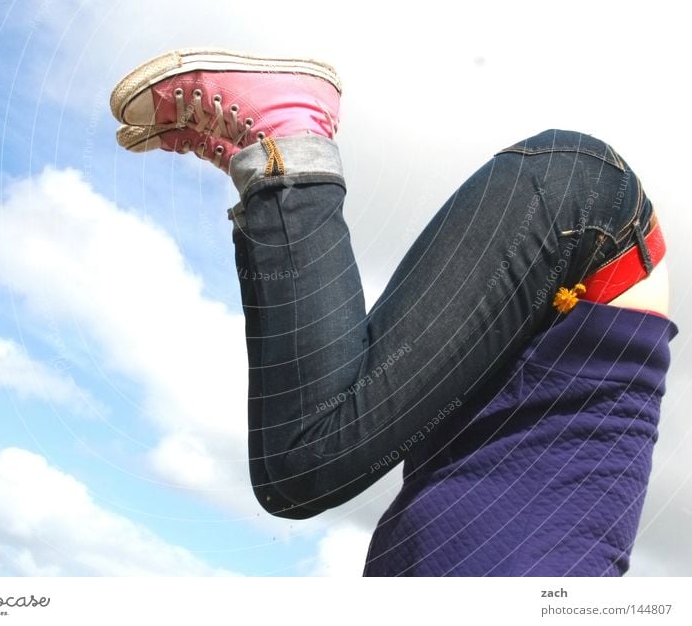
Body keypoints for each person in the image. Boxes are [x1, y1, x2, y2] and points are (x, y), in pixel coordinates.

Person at [110, 48, 678, 577]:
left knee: (317, 439)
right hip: (592, 230)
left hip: (564, 250)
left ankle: (265, 157)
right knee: (303, 465)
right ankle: (286, 138)